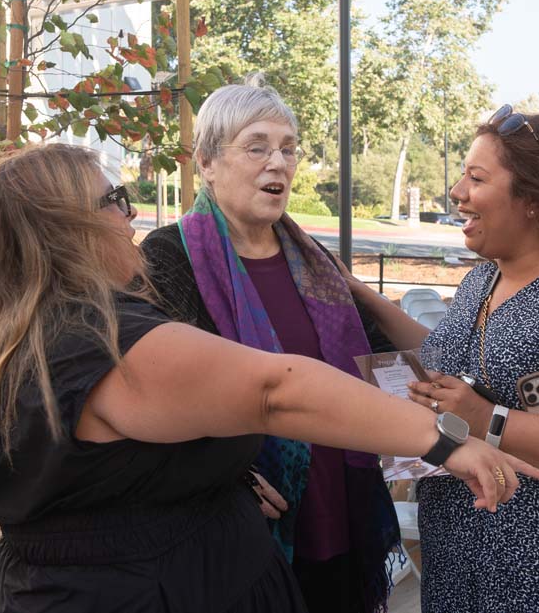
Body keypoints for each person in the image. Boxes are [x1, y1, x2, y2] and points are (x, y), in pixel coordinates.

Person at [0, 143, 539, 613]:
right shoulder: (101, 337)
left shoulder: (16, 331)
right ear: (68, 225)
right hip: (150, 591)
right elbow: (273, 390)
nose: (127, 216)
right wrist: (446, 441)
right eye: (113, 198)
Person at [340, 106, 539, 613]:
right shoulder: (484, 279)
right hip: (456, 558)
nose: (456, 192)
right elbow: (442, 355)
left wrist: (485, 419)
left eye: (476, 178)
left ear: (535, 198)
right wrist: (356, 292)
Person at [140, 83, 401, 613]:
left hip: (340, 499)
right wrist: (227, 473)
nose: (277, 163)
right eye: (256, 147)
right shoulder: (171, 255)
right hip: (248, 516)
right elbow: (159, 390)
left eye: (288, 148)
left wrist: (431, 417)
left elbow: (374, 360)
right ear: (208, 163)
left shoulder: (315, 260)